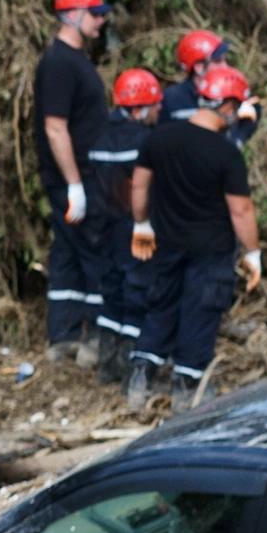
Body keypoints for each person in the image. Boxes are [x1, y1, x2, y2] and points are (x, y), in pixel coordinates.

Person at [127, 62, 262, 405]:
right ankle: (187, 386)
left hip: (167, 242)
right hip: (211, 249)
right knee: (200, 311)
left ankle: (141, 373)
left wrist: (141, 225)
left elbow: (139, 186)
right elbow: (241, 210)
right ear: (228, 107)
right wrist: (252, 253)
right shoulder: (225, 153)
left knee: (162, 305)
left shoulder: (160, 138)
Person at [33, 0, 113, 351]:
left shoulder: (75, 60)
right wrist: (75, 185)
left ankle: (63, 334)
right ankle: (96, 335)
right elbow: (54, 127)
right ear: (75, 14)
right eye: (95, 14)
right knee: (93, 250)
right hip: (76, 176)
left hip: (82, 173)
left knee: (67, 252)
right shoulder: (59, 64)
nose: (100, 21)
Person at [85, 66, 158, 382]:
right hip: (134, 228)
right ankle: (130, 362)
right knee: (138, 290)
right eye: (155, 105)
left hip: (101, 229)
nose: (159, 111)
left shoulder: (100, 136)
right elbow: (142, 187)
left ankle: (106, 362)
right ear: (141, 108)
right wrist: (146, 223)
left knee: (110, 289)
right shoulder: (144, 141)